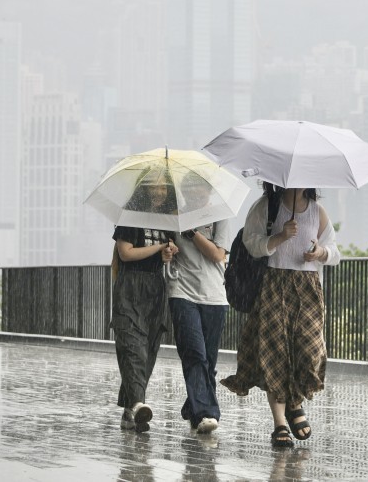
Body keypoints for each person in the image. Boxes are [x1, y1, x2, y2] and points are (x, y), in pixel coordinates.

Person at [220, 183, 341, 448]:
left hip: (308, 289)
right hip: (272, 285)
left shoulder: (318, 212)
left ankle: (294, 403)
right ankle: (280, 423)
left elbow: (334, 252)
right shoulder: (265, 207)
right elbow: (251, 244)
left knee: (309, 352)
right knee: (275, 354)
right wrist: (280, 237)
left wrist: (320, 253)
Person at [112, 181, 179, 433]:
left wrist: (168, 252)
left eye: (163, 188)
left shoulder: (167, 221)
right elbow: (126, 253)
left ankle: (131, 410)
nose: (159, 192)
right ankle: (139, 404)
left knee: (148, 349)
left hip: (155, 288)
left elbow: (163, 255)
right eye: (154, 187)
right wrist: (159, 247)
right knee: (132, 347)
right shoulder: (130, 216)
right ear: (143, 188)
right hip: (130, 286)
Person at [166, 182, 230, 435]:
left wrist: (192, 232)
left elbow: (217, 255)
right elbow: (167, 248)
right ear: (184, 191)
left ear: (209, 191)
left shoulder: (220, 216)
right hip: (182, 292)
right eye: (190, 188)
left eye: (200, 189)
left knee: (208, 361)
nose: (195, 192)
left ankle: (193, 406)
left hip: (214, 295)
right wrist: (169, 249)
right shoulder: (174, 217)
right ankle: (206, 413)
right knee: (194, 353)